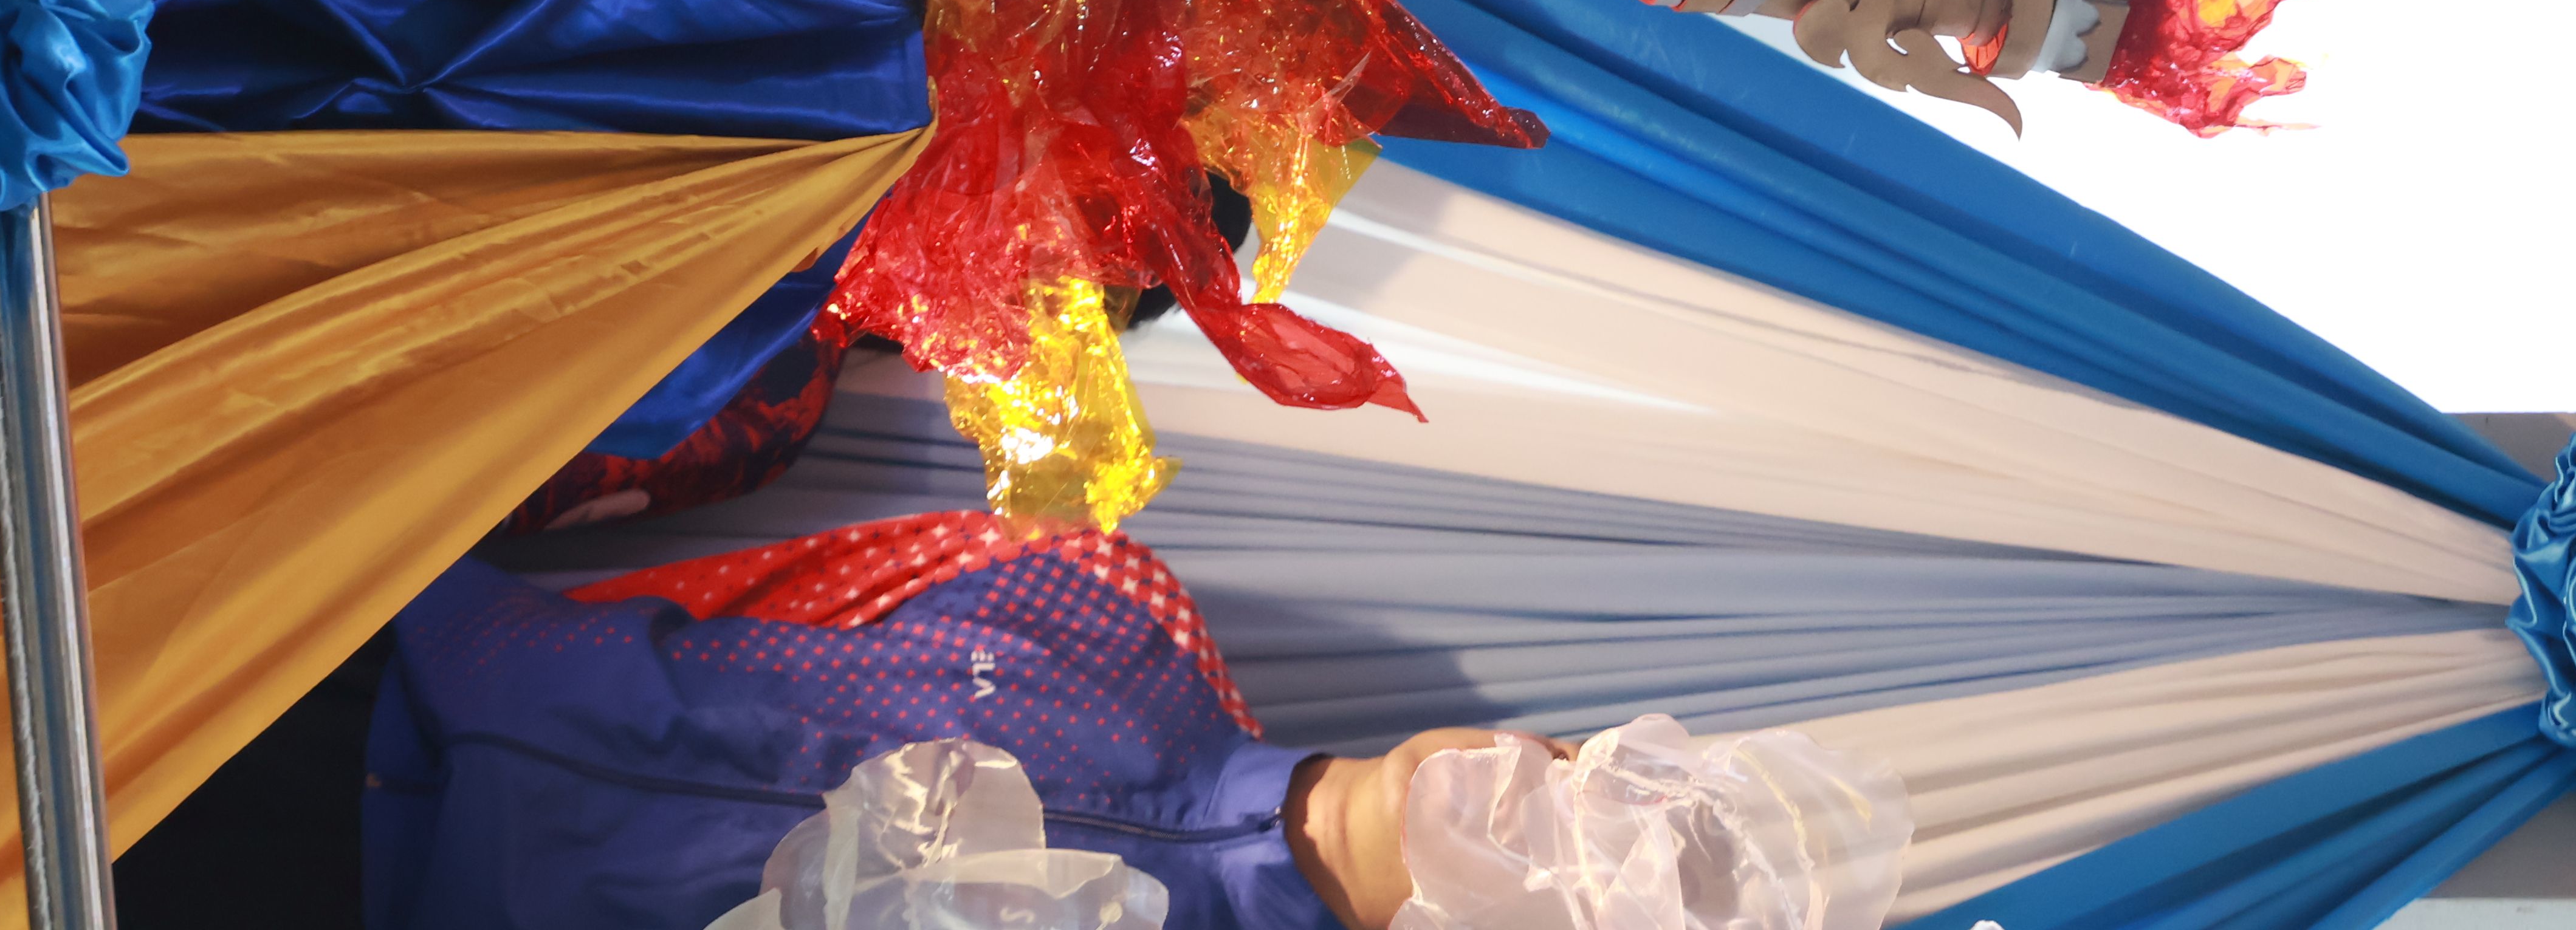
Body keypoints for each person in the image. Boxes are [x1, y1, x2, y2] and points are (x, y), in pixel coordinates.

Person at [360, 514, 1905, 930]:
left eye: (1580, 862)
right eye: (1590, 772)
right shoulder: (1112, 597)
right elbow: (735, 587)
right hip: (354, 658)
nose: (1527, 786)